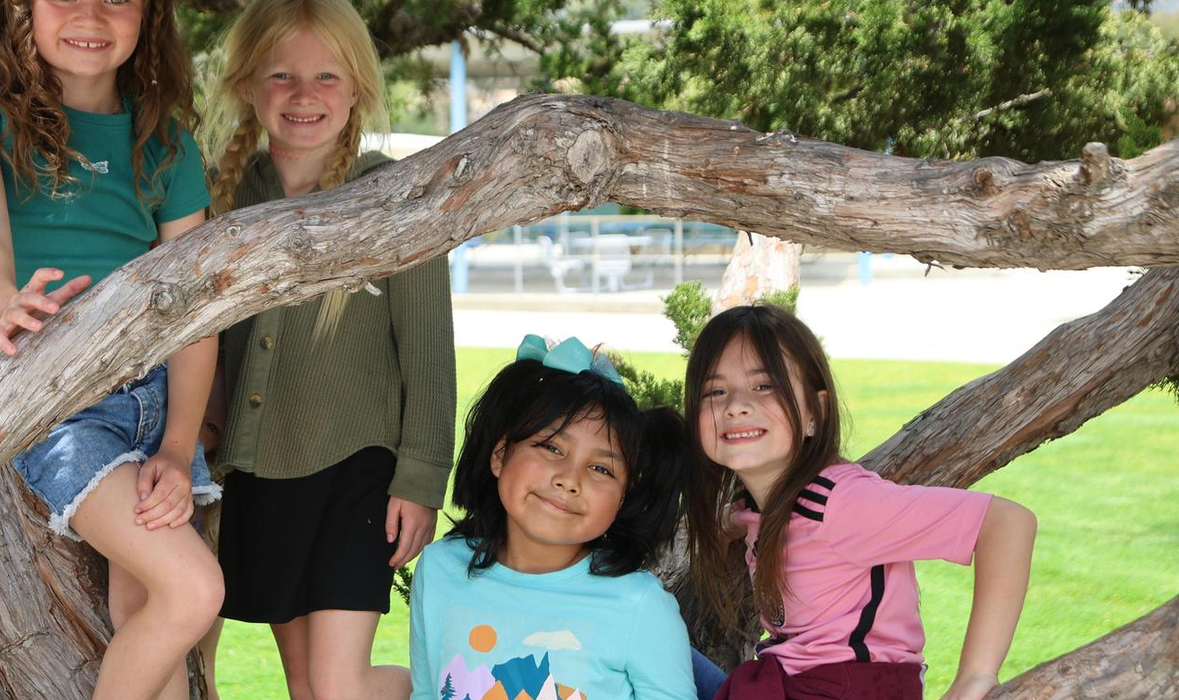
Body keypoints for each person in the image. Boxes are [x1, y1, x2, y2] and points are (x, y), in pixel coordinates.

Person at [0, 0, 219, 696]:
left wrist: (178, 447)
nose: (90, 12)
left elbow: (196, 305)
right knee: (192, 591)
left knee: (148, 608)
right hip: (58, 409)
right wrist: (1, 297)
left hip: (156, 400)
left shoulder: (165, 140)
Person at [202, 0, 454, 696]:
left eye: (326, 77)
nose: (304, 95)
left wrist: (421, 478)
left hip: (357, 473)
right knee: (310, 689)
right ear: (248, 85)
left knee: (340, 689)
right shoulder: (223, 196)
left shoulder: (395, 195)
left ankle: (458, 687)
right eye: (281, 75)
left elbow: (429, 351)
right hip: (260, 473)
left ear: (359, 90)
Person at [681, 304, 1038, 700]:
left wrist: (976, 674)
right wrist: (731, 523)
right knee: (637, 640)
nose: (735, 405)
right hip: (783, 683)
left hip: (848, 689)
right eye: (715, 391)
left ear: (815, 412)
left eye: (764, 386)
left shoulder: (841, 503)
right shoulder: (761, 508)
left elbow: (1006, 522)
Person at [409, 336, 697, 700]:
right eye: (551, 447)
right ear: (500, 454)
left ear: (624, 497)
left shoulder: (641, 606)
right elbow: (425, 692)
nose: (569, 479)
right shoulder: (438, 570)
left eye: (600, 468)